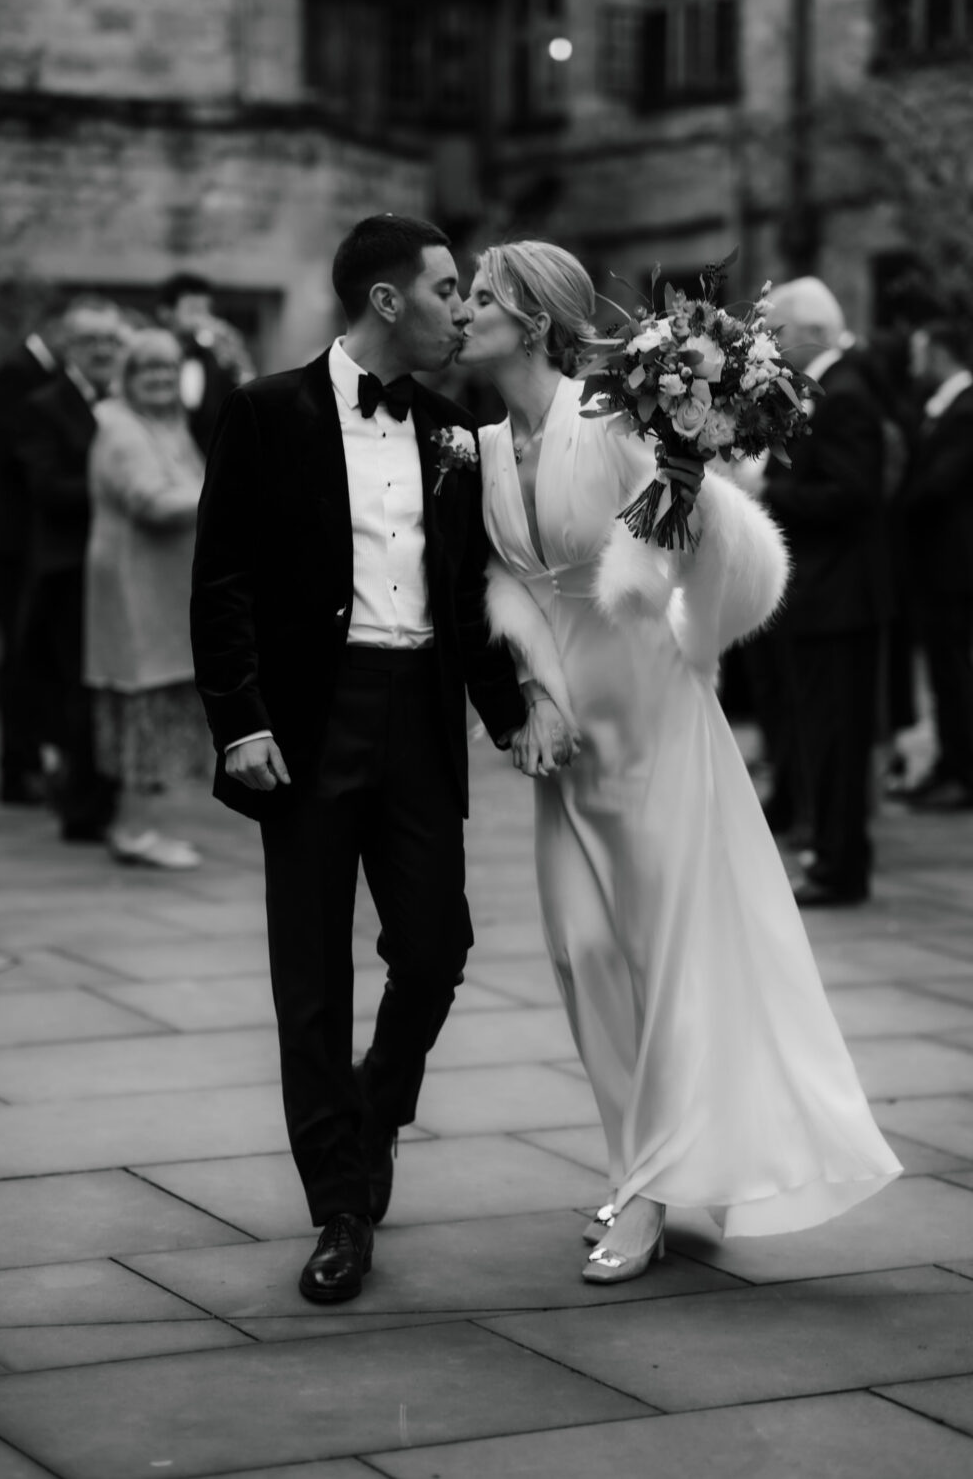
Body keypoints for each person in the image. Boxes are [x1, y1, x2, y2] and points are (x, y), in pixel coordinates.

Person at [457, 240, 901, 1284]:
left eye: (480, 297)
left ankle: (649, 1188)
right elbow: (497, 581)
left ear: (531, 320)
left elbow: (723, 557)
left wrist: (684, 494)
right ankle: (638, 1160)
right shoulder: (474, 444)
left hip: (653, 709)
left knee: (655, 954)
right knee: (581, 950)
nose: (462, 311)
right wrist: (528, 693)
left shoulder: (613, 425)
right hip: (563, 728)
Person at [190, 214, 527, 1304]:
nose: (460, 308)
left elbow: (469, 598)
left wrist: (515, 716)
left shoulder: (450, 424)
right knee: (310, 980)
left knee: (434, 949)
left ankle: (373, 1115)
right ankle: (338, 1205)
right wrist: (239, 720)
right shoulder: (265, 412)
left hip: (419, 716)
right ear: (387, 302)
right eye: (444, 289)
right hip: (308, 722)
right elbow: (224, 575)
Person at [755, 278, 891, 907]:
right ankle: (831, 855)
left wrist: (768, 493)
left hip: (841, 601)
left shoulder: (846, 394)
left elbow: (853, 494)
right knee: (822, 736)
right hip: (822, 598)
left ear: (807, 332)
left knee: (837, 739)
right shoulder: (832, 390)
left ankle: (840, 867)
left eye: (778, 335)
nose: (774, 349)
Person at [85, 328, 209, 869]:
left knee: (153, 709)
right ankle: (134, 830)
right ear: (128, 378)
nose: (160, 379)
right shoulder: (123, 430)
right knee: (142, 710)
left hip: (162, 593)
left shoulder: (169, 425)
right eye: (148, 370)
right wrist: (228, 494)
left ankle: (141, 825)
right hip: (135, 595)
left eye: (168, 368)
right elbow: (152, 502)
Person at [16, 297, 125, 842]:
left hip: (121, 570)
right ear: (69, 347)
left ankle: (103, 794)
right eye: (91, 341)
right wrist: (122, 491)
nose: (104, 350)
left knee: (111, 687)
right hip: (70, 570)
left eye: (112, 340)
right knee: (78, 690)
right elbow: (47, 489)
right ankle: (82, 806)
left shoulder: (127, 402)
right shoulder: (44, 404)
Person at [0, 311, 62, 804]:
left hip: (30, 540)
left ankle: (31, 760)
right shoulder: (16, 373)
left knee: (33, 656)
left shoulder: (37, 373)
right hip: (12, 541)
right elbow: (23, 456)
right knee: (18, 655)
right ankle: (16, 769)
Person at [894, 320, 973, 811]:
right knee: (943, 670)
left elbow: (942, 482)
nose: (914, 362)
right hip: (938, 561)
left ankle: (964, 773)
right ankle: (949, 762)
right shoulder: (944, 406)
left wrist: (898, 504)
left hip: (955, 562)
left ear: (942, 353)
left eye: (920, 351)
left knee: (953, 669)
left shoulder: (964, 410)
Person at [158, 272, 255, 457]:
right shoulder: (148, 356)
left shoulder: (217, 360)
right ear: (166, 313)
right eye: (193, 310)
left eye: (207, 310)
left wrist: (237, 357)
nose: (203, 318)